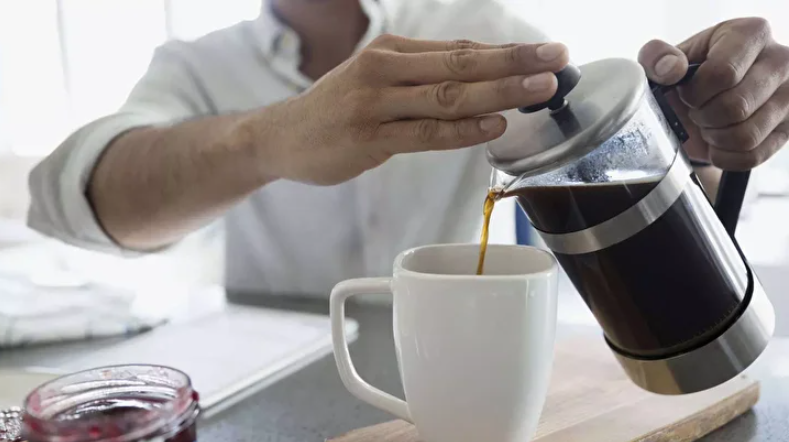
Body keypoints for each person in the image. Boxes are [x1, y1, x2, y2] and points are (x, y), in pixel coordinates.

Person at [27, 0, 789, 297]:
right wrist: (270, 137)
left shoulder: (491, 40)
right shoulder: (194, 65)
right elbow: (73, 198)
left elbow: (626, 166)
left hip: (466, 365)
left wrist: (708, 116)